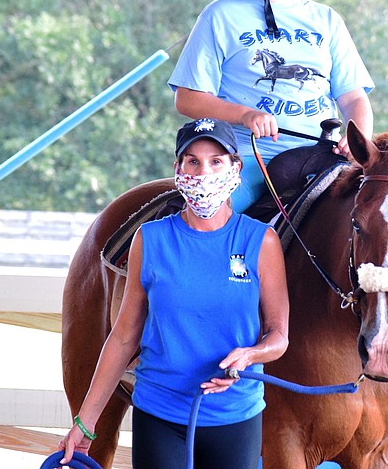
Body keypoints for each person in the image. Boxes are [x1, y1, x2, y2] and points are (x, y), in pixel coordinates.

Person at [59, 118, 288, 469]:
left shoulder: (261, 241)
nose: (203, 172)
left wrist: (251, 355)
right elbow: (123, 337)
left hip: (235, 416)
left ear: (235, 168)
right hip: (159, 412)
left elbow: (279, 336)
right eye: (192, 161)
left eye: (216, 161)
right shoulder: (149, 239)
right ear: (177, 169)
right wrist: (85, 422)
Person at [168, 0, 374, 213]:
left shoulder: (327, 20)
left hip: (321, 155)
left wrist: (358, 136)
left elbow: (353, 98)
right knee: (211, 217)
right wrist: (246, 115)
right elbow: (188, 99)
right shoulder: (220, 15)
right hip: (247, 156)